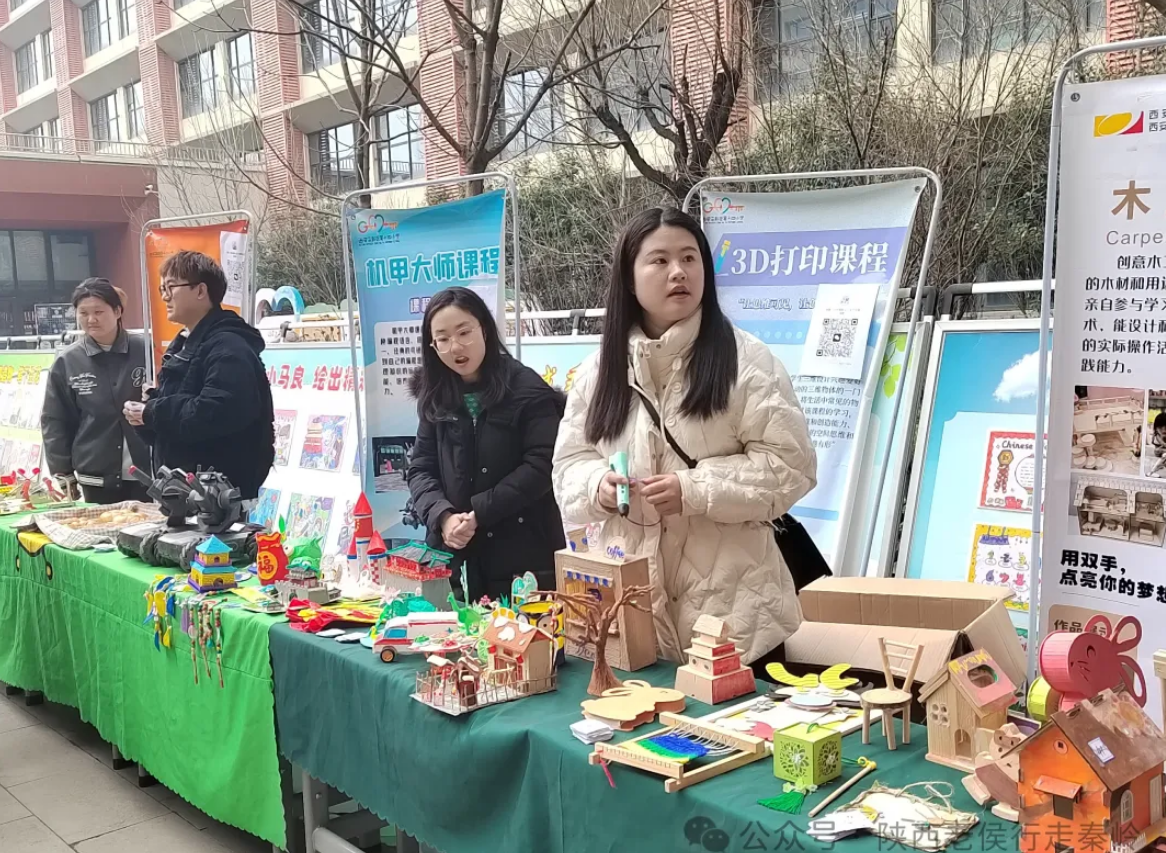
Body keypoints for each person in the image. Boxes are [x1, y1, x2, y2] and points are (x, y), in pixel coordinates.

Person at [552, 207, 817, 670]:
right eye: (659, 260)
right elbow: (568, 465)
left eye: (689, 258)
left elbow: (791, 467)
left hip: (737, 621)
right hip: (633, 617)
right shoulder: (599, 372)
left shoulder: (748, 362)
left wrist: (693, 489)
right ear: (629, 278)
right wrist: (597, 485)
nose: (678, 272)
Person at [406, 286, 566, 602]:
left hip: (522, 560)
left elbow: (541, 466)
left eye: (464, 332)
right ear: (432, 346)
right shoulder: (436, 395)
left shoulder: (528, 390)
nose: (455, 347)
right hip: (454, 559)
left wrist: (480, 513)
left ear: (485, 329)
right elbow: (420, 469)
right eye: (443, 339)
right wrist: (443, 516)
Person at [123, 251, 274, 500]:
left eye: (171, 287)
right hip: (186, 491)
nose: (164, 296)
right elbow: (177, 423)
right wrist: (145, 417)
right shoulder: (184, 344)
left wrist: (154, 411)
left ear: (201, 290)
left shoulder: (229, 346)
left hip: (218, 496)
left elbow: (217, 411)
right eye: (162, 288)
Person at [41, 278, 152, 504]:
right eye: (83, 313)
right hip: (95, 476)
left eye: (99, 312)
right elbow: (55, 420)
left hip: (148, 472)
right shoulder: (67, 361)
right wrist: (63, 472)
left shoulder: (147, 350)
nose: (91, 319)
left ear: (117, 311)